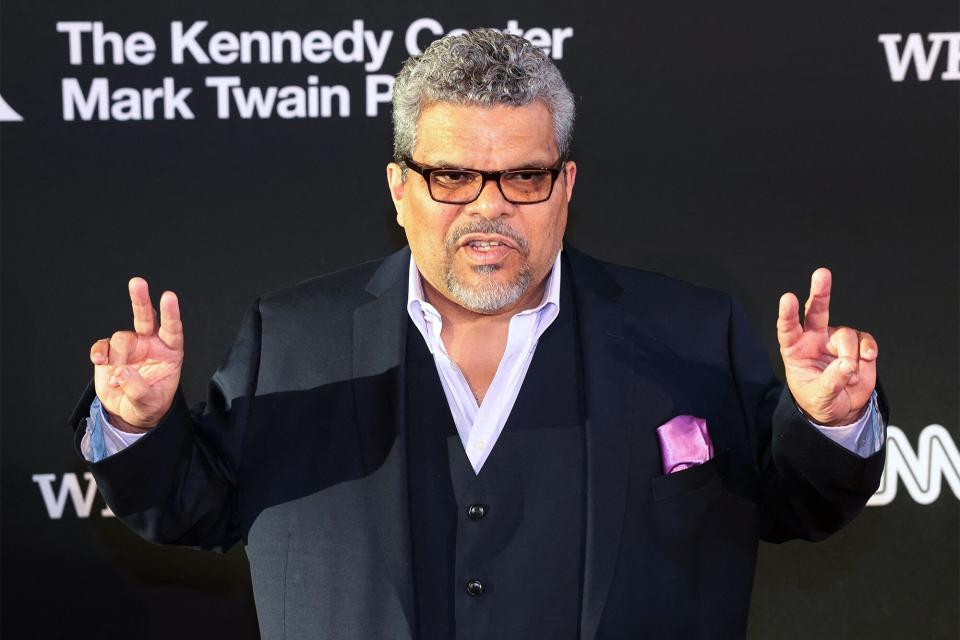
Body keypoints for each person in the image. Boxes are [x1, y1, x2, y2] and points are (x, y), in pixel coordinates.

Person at [71, 29, 887, 640]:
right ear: (399, 188)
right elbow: (191, 511)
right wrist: (140, 427)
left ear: (565, 186)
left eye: (523, 176)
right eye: (453, 176)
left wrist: (829, 423)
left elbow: (799, 503)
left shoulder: (691, 331)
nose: (488, 207)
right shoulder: (294, 335)